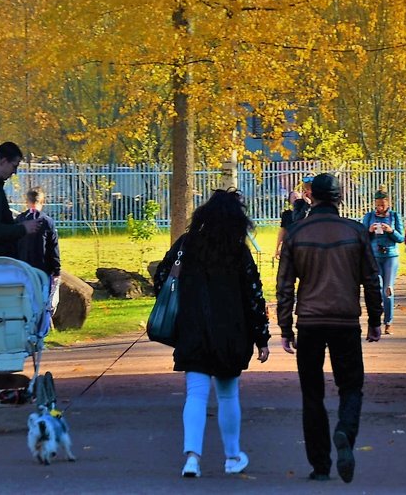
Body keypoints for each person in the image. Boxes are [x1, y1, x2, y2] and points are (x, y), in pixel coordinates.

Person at [154, 189, 271, 479]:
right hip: (230, 333)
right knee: (228, 395)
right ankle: (232, 456)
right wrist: (262, 337)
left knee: (195, 394)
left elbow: (161, 279)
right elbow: (253, 296)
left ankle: (192, 458)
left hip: (192, 329)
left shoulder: (187, 244)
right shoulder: (237, 251)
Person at [277, 172, 383, 483]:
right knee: (351, 386)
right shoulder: (356, 231)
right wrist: (375, 320)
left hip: (310, 320)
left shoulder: (297, 232)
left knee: (312, 394)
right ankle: (344, 431)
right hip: (345, 319)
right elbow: (371, 280)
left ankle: (320, 465)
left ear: (312, 197)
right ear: (338, 198)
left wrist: (285, 327)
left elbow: (285, 285)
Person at [361, 188, 403, 334]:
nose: (380, 208)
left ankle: (389, 322)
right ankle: (376, 321)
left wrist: (391, 231)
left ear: (388, 204)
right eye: (377, 205)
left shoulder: (394, 216)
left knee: (388, 290)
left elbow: (401, 238)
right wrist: (370, 231)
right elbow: (362, 238)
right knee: (376, 289)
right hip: (374, 256)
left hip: (391, 257)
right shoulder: (369, 217)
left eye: (383, 205)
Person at [15, 186, 63, 314]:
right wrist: (56, 270)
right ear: (42, 202)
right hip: (42, 269)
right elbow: (53, 248)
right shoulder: (47, 222)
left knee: (24, 301)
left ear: (27, 201)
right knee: (41, 301)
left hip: (22, 267)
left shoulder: (19, 220)